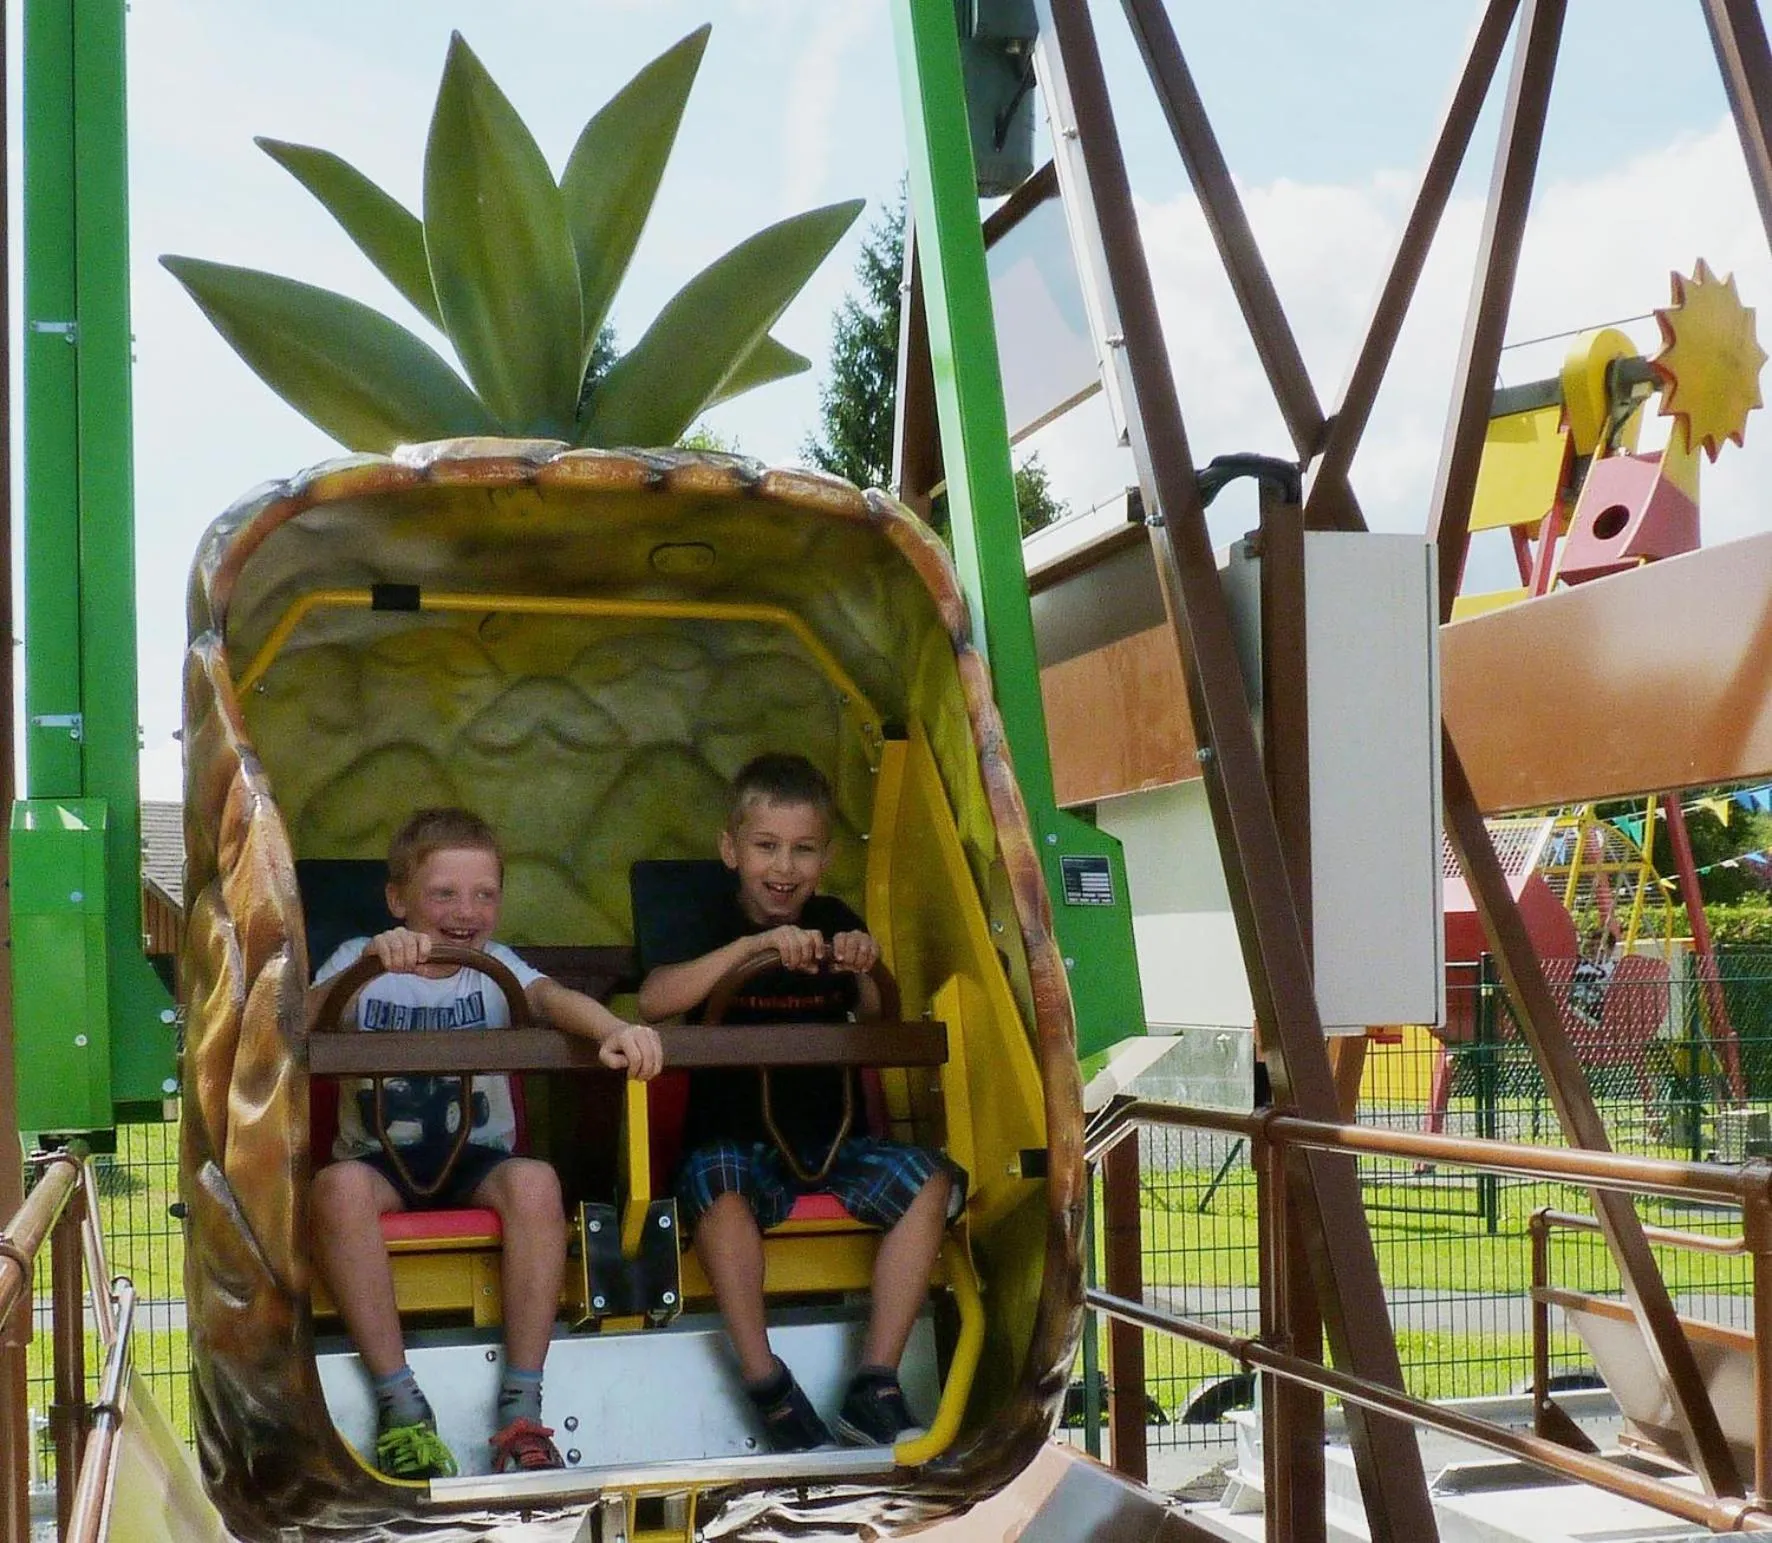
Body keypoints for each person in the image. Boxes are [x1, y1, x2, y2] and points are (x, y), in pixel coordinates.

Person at [309, 807, 664, 1480]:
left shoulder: (494, 968)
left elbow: (553, 998)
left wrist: (611, 1030)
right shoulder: (360, 963)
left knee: (536, 1181)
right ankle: (400, 1402)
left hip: (476, 1159)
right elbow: (295, 1020)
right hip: (379, 1162)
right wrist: (360, 965)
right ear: (398, 899)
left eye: (485, 894)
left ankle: (522, 1404)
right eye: (443, 893)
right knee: (335, 1187)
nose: (465, 910)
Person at [636, 753, 966, 1451]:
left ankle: (873, 1381)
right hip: (735, 1146)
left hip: (832, 1140)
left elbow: (880, 1021)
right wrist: (753, 947)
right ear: (732, 849)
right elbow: (655, 998)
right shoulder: (703, 919)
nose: (783, 867)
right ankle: (767, 1382)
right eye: (766, 846)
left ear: (825, 858)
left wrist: (864, 964)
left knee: (929, 1180)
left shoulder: (834, 917)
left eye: (803, 849)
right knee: (718, 1186)